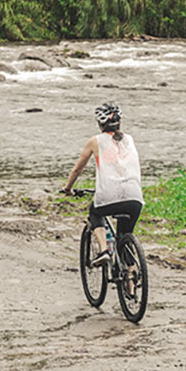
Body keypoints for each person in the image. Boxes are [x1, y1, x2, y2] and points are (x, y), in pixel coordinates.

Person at [63, 103, 144, 274]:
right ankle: (130, 283)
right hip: (135, 197)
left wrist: (68, 188)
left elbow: (77, 169)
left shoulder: (95, 141)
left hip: (109, 196)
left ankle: (103, 250)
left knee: (95, 212)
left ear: (100, 124)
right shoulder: (129, 139)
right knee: (124, 237)